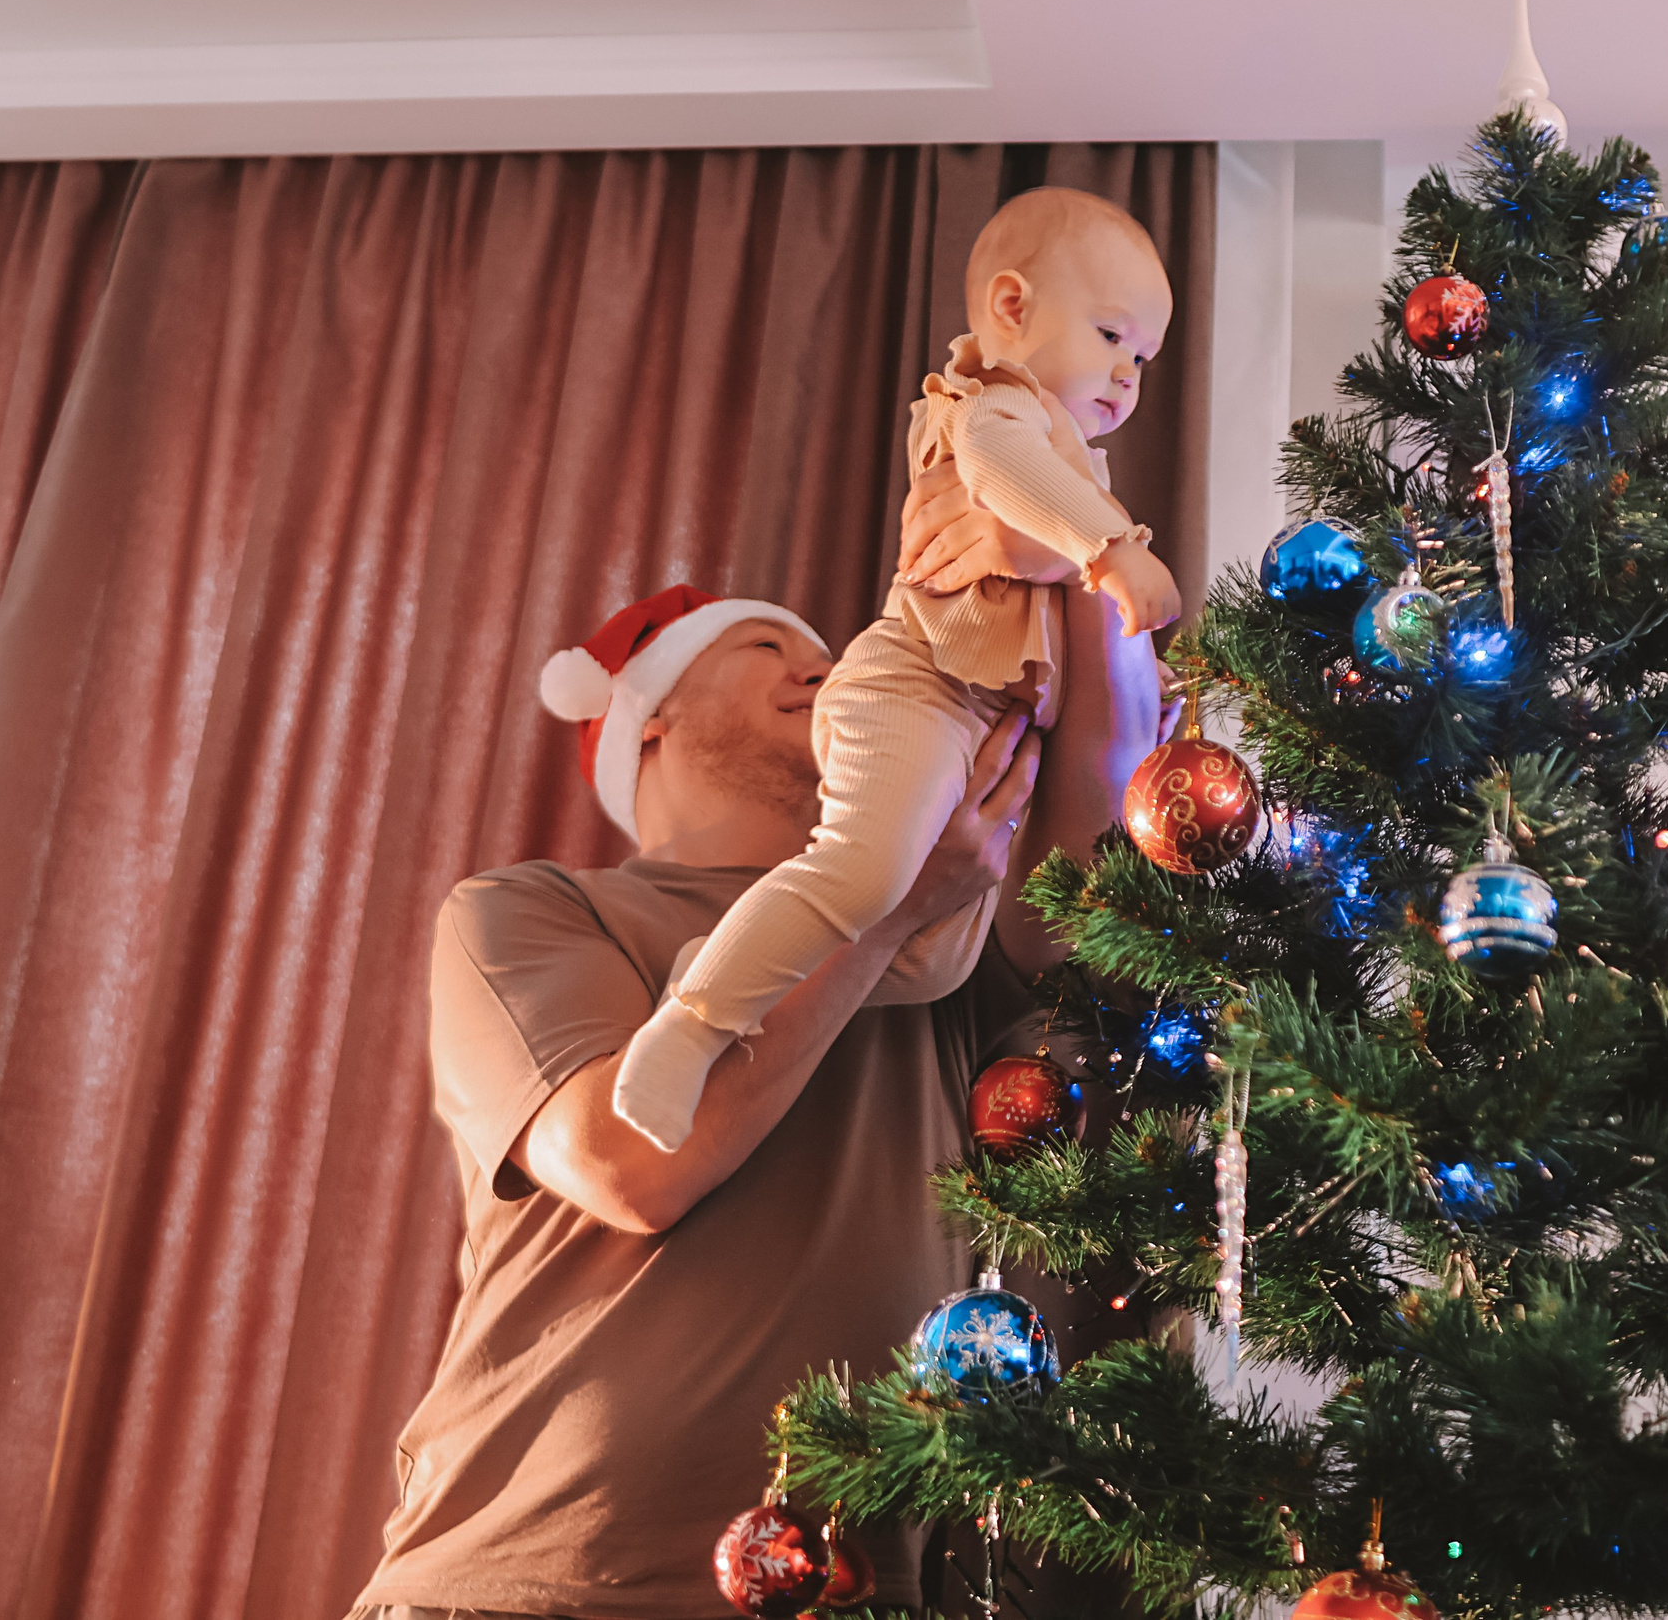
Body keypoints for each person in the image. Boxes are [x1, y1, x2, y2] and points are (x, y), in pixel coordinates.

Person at [348, 556, 1166, 1619]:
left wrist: (1070, 524)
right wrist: (880, 910)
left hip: (855, 1588)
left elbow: (1101, 806)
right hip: (533, 1576)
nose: (821, 667)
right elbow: (631, 1165)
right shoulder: (531, 913)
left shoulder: (949, 947)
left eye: (830, 656)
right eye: (765, 645)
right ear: (648, 716)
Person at [609, 188, 1184, 1152]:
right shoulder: (993, 401)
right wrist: (1108, 545)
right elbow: (1003, 472)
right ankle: (694, 1021)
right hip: (917, 686)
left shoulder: (1073, 463)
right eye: (1113, 335)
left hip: (978, 715)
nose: (1129, 374)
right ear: (1011, 308)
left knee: (933, 963)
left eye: (1146, 359)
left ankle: (731, 965)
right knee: (866, 871)